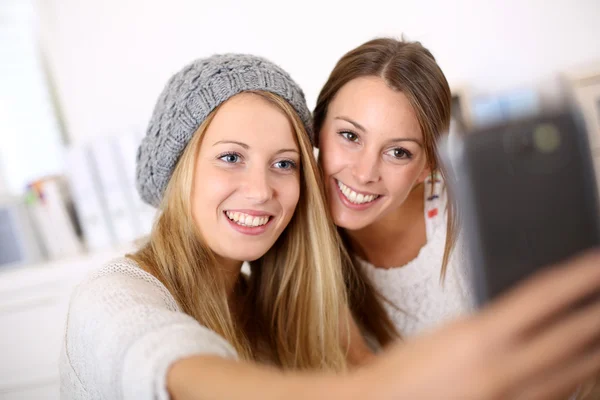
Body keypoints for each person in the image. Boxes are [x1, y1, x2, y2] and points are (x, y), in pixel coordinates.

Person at [59, 52, 600, 400]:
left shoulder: (274, 298)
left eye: (283, 163)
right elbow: (169, 367)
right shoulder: (112, 297)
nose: (261, 189)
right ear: (179, 172)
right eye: (229, 157)